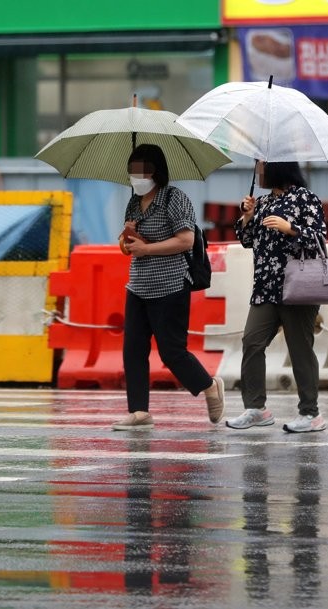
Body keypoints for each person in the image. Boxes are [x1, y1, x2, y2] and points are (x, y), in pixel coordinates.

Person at [113, 144, 225, 430]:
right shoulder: (133, 203)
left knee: (172, 352)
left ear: (156, 171)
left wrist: (147, 249)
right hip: (138, 285)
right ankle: (139, 411)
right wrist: (128, 239)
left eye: (141, 171)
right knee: (133, 349)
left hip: (171, 284)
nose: (136, 178)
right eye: (132, 171)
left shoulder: (174, 198)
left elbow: (185, 240)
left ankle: (209, 385)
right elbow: (132, 246)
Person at [226, 161, 328, 433]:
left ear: (277, 168)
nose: (258, 173)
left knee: (300, 348)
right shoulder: (260, 202)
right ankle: (256, 408)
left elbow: (319, 237)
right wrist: (247, 217)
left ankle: (311, 413)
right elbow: (247, 240)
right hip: (265, 286)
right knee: (252, 340)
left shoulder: (305, 198)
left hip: (297, 286)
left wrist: (289, 228)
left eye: (261, 167)